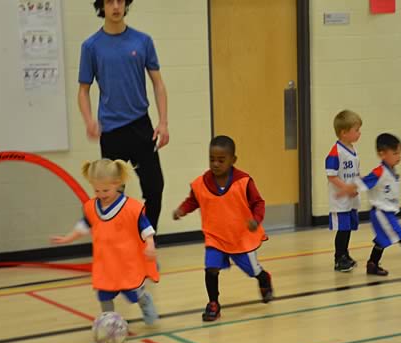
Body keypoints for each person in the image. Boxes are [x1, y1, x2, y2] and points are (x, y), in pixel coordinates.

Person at [78, 0, 169, 232]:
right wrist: (89, 120)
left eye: (120, 1)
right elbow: (84, 90)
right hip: (111, 133)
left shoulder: (143, 41)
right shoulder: (91, 46)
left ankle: (147, 243)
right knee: (111, 196)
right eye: (110, 1)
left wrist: (163, 122)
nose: (116, 6)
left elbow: (158, 83)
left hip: (141, 127)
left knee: (155, 189)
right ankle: (119, 247)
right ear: (102, 6)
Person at [173, 135, 274, 322]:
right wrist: (182, 210)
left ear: (233, 160)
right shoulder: (202, 183)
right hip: (215, 237)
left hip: (240, 237)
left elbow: (258, 202)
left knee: (252, 270)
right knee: (211, 268)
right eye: (212, 159)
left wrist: (256, 219)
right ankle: (213, 303)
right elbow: (193, 200)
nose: (216, 164)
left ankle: (263, 278)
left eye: (221, 160)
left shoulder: (243, 181)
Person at [51, 159, 159, 324]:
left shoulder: (130, 208)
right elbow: (83, 226)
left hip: (126, 262)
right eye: (97, 190)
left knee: (132, 293)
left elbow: (146, 229)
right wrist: (67, 238)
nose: (101, 195)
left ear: (118, 184)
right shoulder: (92, 207)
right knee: (103, 294)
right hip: (105, 263)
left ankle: (144, 299)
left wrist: (150, 245)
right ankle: (109, 323)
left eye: (105, 190)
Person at [339, 133, 401, 275]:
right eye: (395, 153)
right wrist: (348, 189)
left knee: (382, 241)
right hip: (380, 212)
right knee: (400, 234)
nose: (399, 156)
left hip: (387, 212)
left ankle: (372, 265)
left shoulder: (391, 171)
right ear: (382, 154)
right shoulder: (380, 171)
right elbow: (363, 182)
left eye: (399, 153)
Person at [326, 110, 362, 272]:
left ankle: (345, 254)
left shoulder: (353, 150)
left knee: (348, 228)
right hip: (340, 200)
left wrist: (357, 185)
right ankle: (338, 258)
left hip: (351, 198)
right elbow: (331, 176)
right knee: (343, 229)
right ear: (344, 133)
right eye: (356, 130)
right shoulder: (336, 152)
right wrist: (346, 188)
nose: (359, 133)